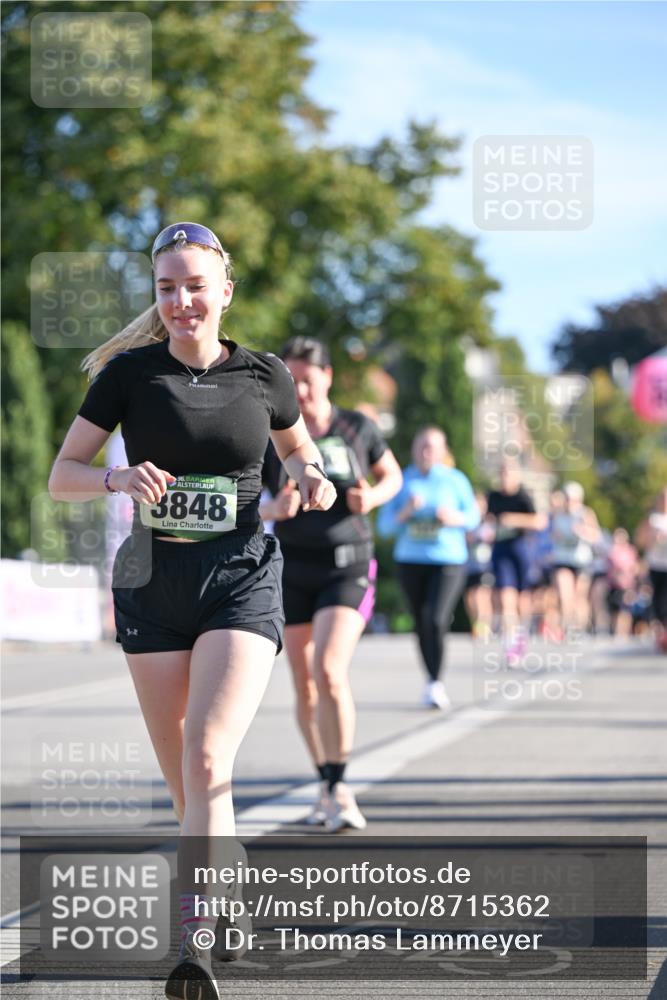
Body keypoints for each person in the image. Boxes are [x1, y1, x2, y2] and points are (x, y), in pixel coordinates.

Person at [48, 223, 336, 1000]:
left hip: (239, 579)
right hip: (150, 584)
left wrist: (315, 480)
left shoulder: (264, 374)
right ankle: (226, 891)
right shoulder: (128, 376)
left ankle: (194, 944)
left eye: (194, 285)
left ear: (224, 291)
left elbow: (302, 452)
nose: (180, 301)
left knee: (209, 759)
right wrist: (114, 481)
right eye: (166, 287)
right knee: (188, 786)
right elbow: (62, 475)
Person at [261, 337, 402, 832]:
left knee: (328, 667)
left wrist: (374, 496)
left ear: (328, 377)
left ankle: (341, 786)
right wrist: (271, 510)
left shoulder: (355, 426)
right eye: (290, 378)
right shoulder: (273, 433)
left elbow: (393, 476)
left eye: (307, 377)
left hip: (348, 563)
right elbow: (250, 498)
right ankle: (324, 780)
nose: (298, 387)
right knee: (303, 682)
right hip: (292, 565)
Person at [377, 427, 479, 709]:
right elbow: (384, 526)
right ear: (413, 449)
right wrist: (406, 511)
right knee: (421, 622)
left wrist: (454, 518)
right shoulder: (402, 481)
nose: (426, 452)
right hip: (410, 560)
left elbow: (473, 517)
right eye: (422, 446)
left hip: (448, 560)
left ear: (442, 451)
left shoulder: (455, 480)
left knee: (435, 618)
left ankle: (437, 681)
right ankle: (432, 680)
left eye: (432, 447)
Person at [486, 462, 546, 663]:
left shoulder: (523, 497)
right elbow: (487, 519)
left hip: (521, 549)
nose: (505, 477)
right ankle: (510, 641)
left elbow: (539, 522)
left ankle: (521, 635)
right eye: (502, 473)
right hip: (500, 549)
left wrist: (513, 520)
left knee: (522, 599)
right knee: (505, 597)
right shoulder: (493, 497)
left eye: (509, 473)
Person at [550, 481, 601, 634]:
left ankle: (580, 627)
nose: (569, 502)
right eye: (566, 498)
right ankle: (567, 627)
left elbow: (597, 537)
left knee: (580, 596)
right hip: (562, 559)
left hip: (582, 560)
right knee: (565, 593)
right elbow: (552, 536)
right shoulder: (557, 514)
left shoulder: (585, 514)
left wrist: (583, 531)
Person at [635, 487, 667, 652]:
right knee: (656, 600)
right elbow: (640, 541)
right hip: (655, 565)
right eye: (663, 498)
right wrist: (653, 539)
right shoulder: (653, 519)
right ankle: (660, 634)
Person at [464, 491, 495, 640]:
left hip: (485, 565)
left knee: (481, 596)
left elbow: (490, 537)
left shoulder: (488, 522)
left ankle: (484, 627)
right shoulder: (467, 522)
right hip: (469, 565)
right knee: (470, 597)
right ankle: (475, 624)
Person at [606, 528, 640, 637]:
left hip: (628, 584)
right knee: (615, 608)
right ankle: (615, 631)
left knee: (626, 608)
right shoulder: (612, 551)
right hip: (614, 585)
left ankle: (624, 632)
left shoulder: (630, 551)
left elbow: (634, 566)